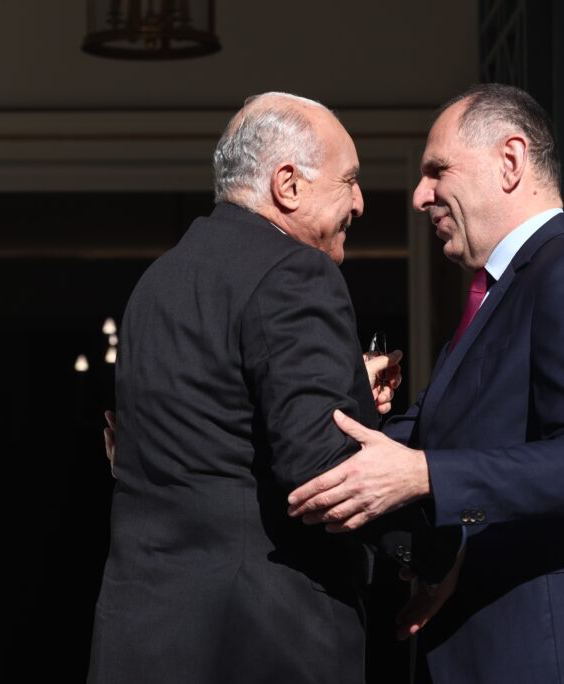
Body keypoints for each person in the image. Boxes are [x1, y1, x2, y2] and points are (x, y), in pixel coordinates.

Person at [87, 92, 457, 684]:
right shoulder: (296, 271)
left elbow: (215, 425)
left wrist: (345, 389)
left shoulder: (160, 279)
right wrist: (435, 553)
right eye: (349, 180)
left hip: (146, 635)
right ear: (287, 185)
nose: (360, 202)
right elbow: (325, 473)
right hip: (256, 641)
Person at [287, 84, 564, 683]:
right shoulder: (498, 293)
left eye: (437, 171)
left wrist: (425, 474)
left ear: (511, 161)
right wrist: (351, 403)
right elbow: (444, 437)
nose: (419, 195)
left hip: (547, 661)